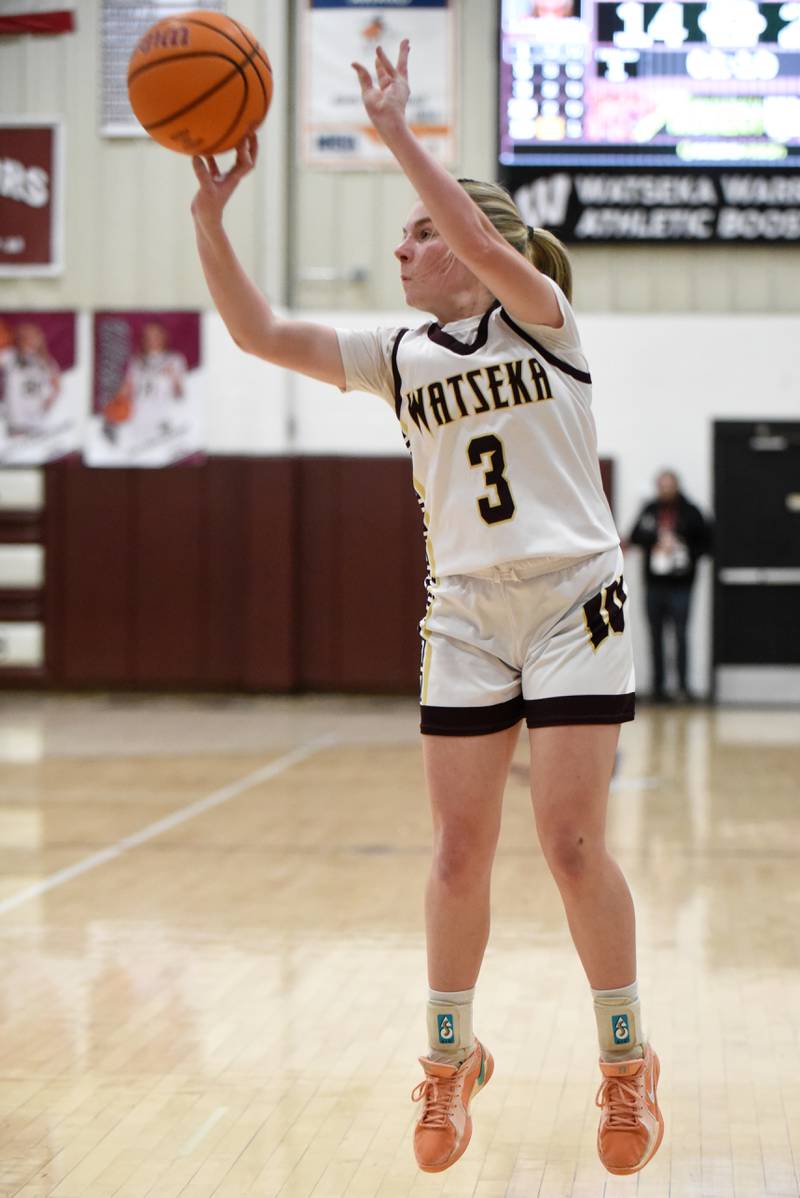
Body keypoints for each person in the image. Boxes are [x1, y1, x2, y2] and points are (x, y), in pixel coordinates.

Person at [189, 40, 663, 1178]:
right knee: (456, 853)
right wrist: (210, 216)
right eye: (402, 230)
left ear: (461, 246)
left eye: (415, 232)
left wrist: (398, 130)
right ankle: (450, 1060)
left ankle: (624, 1060)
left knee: (569, 841)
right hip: (463, 614)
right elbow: (258, 334)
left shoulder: (541, 316)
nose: (399, 247)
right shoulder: (399, 355)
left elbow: (480, 239)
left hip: (568, 601)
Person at [629, 470, 712, 703]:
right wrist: (654, 542)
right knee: (655, 635)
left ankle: (683, 687)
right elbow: (635, 536)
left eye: (669, 485)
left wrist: (681, 548)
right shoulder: (650, 510)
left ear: (677, 486)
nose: (665, 490)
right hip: (654, 585)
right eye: (661, 486)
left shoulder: (691, 511)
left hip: (681, 586)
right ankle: (657, 688)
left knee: (681, 635)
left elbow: (706, 543)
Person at [0, 322, 60, 436]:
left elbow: (56, 385)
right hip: (16, 418)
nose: (31, 341)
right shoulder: (11, 356)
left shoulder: (46, 361)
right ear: (20, 339)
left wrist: (49, 401)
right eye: (26, 338)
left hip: (37, 418)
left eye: (34, 337)